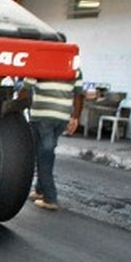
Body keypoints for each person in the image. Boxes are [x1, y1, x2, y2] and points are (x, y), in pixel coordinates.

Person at [19, 68, 84, 211]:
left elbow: (26, 88)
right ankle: (40, 190)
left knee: (43, 155)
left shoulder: (42, 62)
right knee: (46, 151)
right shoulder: (74, 68)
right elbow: (79, 94)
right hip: (61, 118)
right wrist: (75, 118)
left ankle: (50, 197)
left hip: (43, 117)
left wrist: (16, 105)